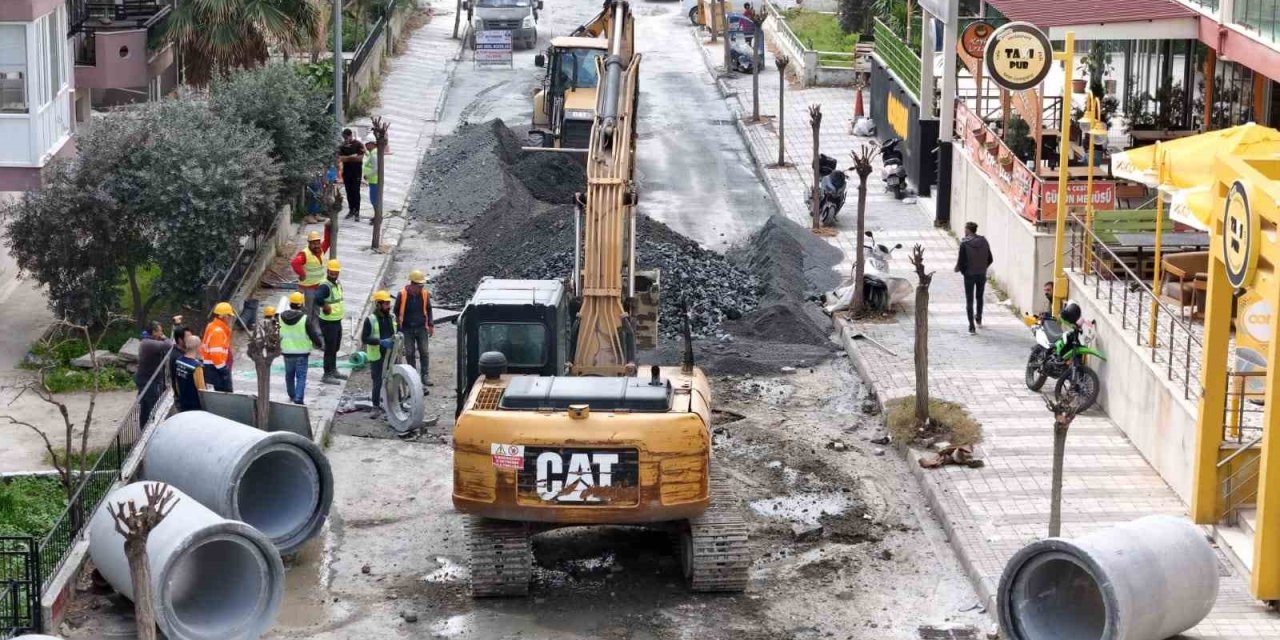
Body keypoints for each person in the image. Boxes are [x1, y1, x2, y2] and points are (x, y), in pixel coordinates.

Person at [279, 292, 324, 404]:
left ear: (290, 303)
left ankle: (291, 394)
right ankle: (298, 398)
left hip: (286, 352)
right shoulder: (305, 319)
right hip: (302, 353)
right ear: (301, 304)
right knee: (301, 376)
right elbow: (313, 334)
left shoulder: (280, 317)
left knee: (289, 375)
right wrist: (319, 344)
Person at [395, 269, 434, 388]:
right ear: (412, 284)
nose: (421, 288)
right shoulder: (402, 294)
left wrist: (430, 324)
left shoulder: (425, 294)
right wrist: (399, 328)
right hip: (407, 329)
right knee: (409, 352)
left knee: (424, 352)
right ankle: (413, 376)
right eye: (419, 286)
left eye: (422, 286)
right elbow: (396, 311)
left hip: (421, 327)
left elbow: (429, 309)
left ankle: (425, 375)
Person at [954, 221, 993, 335]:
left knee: (969, 299)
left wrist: (962, 271)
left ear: (967, 230)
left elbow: (961, 262)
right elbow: (990, 259)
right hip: (981, 274)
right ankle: (978, 318)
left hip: (969, 275)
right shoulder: (984, 241)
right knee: (979, 297)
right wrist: (982, 268)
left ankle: (971, 326)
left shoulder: (964, 243)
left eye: (965, 229)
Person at [362, 290, 397, 414]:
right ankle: (375, 406)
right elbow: (364, 338)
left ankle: (393, 404)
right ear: (378, 304)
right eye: (386, 304)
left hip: (391, 353)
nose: (389, 306)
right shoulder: (370, 320)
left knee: (393, 379)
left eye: (389, 303)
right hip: (377, 354)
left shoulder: (391, 318)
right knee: (377, 381)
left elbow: (395, 333)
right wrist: (380, 341)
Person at [135, 320, 174, 427]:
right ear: (153, 332)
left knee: (147, 405)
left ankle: (145, 426)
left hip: (148, 378)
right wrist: (165, 338)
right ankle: (147, 428)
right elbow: (169, 345)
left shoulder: (148, 341)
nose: (161, 333)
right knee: (150, 406)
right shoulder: (148, 343)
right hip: (148, 380)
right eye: (160, 331)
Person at [316, 260, 347, 384]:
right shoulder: (325, 286)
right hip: (328, 322)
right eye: (332, 272)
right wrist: (324, 306)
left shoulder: (336, 283)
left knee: (335, 347)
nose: (333, 274)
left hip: (336, 320)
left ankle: (333, 370)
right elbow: (318, 297)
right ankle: (327, 374)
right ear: (328, 271)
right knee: (330, 348)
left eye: (336, 272)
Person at [291, 227, 331, 320]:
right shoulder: (305, 254)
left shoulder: (321, 250)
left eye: (318, 243)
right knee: (307, 312)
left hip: (318, 287)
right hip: (307, 288)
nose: (316, 245)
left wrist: (327, 228)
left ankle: (315, 327)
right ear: (309, 243)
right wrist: (302, 274)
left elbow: (327, 241)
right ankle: (306, 327)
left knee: (316, 311)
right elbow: (295, 263)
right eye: (314, 243)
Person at [200, 302, 236, 392]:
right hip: (218, 370)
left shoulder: (211, 326)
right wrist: (224, 370)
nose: (230, 318)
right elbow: (216, 355)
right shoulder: (218, 331)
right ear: (224, 316)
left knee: (219, 393)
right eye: (229, 315)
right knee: (226, 395)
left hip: (213, 369)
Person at [337, 128, 366, 221]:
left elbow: (360, 158)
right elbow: (340, 158)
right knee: (348, 191)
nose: (345, 139)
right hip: (346, 171)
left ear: (350, 135)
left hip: (356, 171)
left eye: (346, 137)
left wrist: (347, 158)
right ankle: (351, 210)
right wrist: (351, 157)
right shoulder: (342, 146)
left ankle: (357, 211)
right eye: (344, 138)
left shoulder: (358, 144)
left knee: (356, 191)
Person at [173, 334, 206, 413]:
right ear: (198, 347)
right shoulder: (197, 366)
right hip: (195, 405)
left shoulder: (178, 361)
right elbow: (201, 389)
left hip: (183, 402)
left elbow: (176, 382)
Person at [363, 133, 381, 221]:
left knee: (374, 200)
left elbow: (376, 168)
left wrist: (367, 175)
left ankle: (377, 217)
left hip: (374, 181)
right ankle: (376, 216)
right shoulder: (373, 152)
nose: (366, 146)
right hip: (373, 181)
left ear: (372, 144)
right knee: (374, 199)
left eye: (367, 144)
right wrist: (365, 152)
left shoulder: (374, 154)